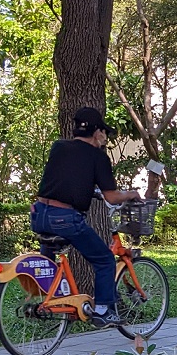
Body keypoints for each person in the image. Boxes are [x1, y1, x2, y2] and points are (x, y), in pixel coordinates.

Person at [32, 107, 141, 327]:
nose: (105, 138)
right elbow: (111, 197)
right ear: (97, 132)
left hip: (39, 214)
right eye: (104, 133)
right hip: (65, 219)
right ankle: (102, 310)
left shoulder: (59, 147)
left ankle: (52, 297)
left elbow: (63, 180)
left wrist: (87, 190)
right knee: (104, 259)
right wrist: (131, 194)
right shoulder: (98, 157)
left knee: (48, 259)